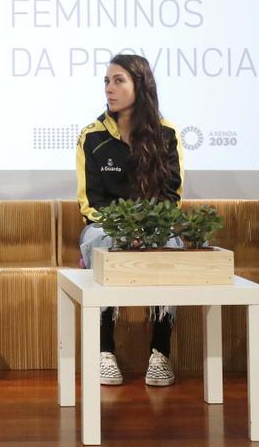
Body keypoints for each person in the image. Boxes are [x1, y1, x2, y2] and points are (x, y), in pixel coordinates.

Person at [76, 53, 184, 387]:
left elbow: (171, 198)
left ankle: (160, 353)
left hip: (155, 226)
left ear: (141, 84)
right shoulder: (91, 136)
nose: (109, 88)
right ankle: (104, 351)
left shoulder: (166, 134)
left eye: (118, 80)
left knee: (171, 248)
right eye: (106, 81)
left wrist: (146, 229)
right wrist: (126, 230)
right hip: (105, 225)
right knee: (102, 243)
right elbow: (91, 202)